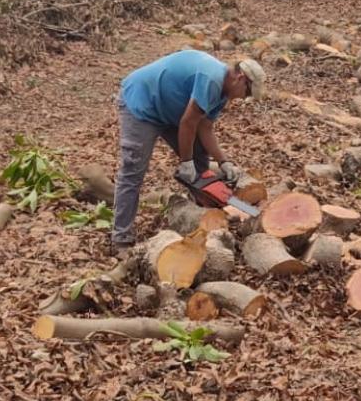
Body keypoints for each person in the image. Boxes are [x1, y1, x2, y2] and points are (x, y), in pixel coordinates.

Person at [110, 50, 266, 254]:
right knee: (133, 171)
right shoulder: (211, 80)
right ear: (240, 78)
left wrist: (223, 162)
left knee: (200, 160)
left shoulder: (222, 93)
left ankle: (202, 215)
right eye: (246, 93)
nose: (243, 98)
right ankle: (121, 238)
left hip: (169, 111)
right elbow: (188, 122)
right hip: (143, 103)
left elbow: (205, 128)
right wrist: (186, 162)